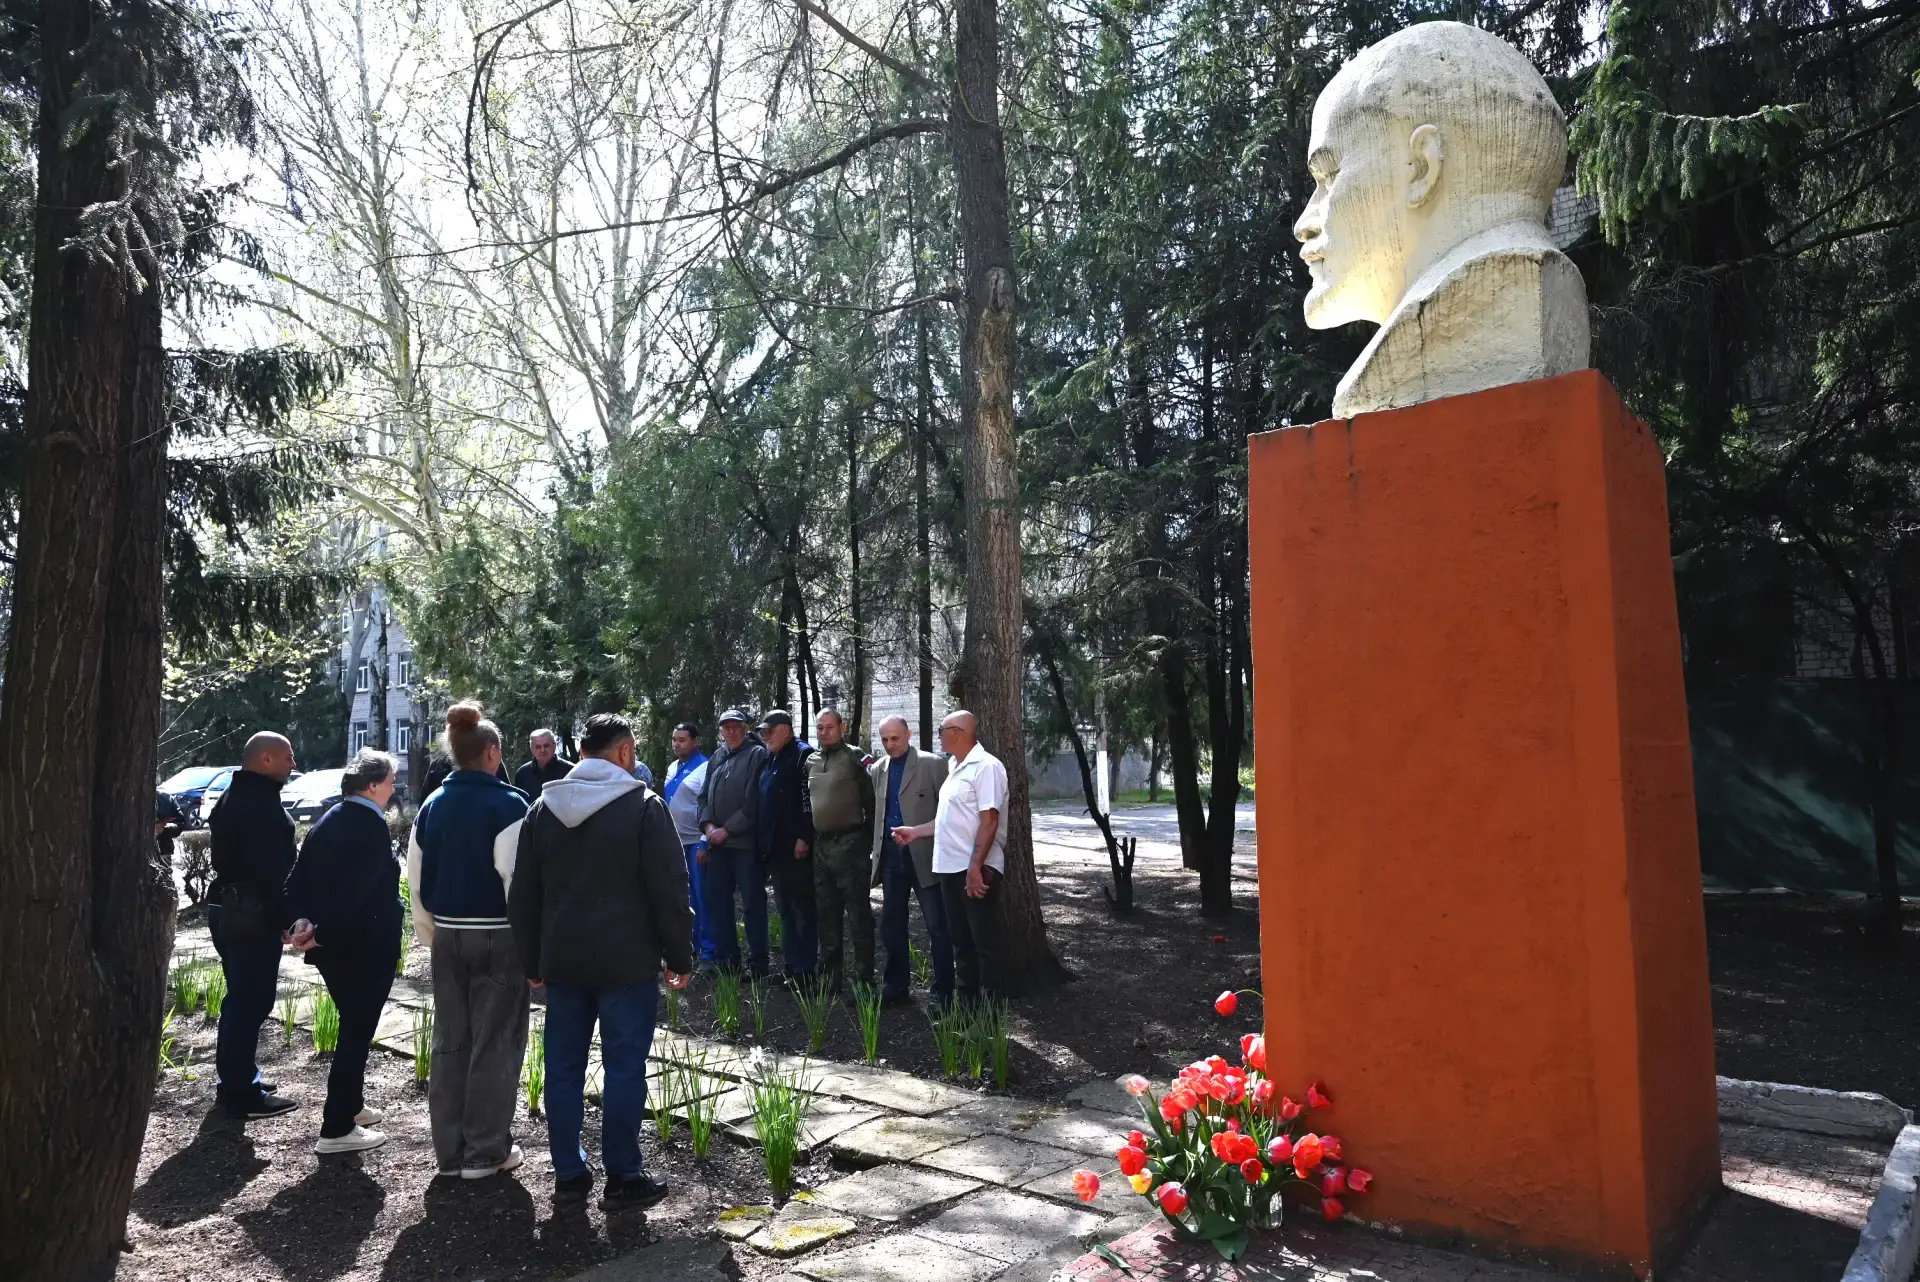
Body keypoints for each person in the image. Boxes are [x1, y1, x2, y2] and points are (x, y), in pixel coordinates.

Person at [509, 713, 694, 1211]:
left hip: (563, 962)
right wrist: (680, 955)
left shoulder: (543, 808)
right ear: (626, 751)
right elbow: (670, 891)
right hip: (627, 963)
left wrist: (531, 959)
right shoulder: (643, 807)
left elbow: (523, 894)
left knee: (563, 1070)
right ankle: (624, 1176)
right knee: (625, 1069)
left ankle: (569, 1175)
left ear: (582, 753)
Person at [408, 702, 532, 1180]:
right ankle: (486, 1151)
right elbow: (517, 883)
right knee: (495, 1042)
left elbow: (416, 878)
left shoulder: (432, 805)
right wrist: (533, 949)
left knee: (450, 1040)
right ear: (493, 751)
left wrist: (432, 935)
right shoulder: (510, 804)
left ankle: (451, 1152)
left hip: (448, 934)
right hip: (499, 936)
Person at [284, 750, 404, 1154]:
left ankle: (350, 1105)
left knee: (354, 1025)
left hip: (336, 947)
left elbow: (297, 880)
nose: (393, 788)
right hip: (362, 948)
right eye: (389, 781)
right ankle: (336, 1128)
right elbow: (361, 894)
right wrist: (323, 934)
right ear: (371, 785)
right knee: (357, 1030)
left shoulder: (329, 818)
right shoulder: (369, 826)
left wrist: (302, 922)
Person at [206, 731, 300, 1119]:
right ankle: (241, 1093)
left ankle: (236, 1079)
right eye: (287, 757)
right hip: (249, 914)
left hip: (230, 908)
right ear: (265, 759)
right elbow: (270, 872)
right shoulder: (258, 804)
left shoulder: (235, 795)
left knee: (240, 1000)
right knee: (250, 1001)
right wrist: (287, 919)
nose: (293, 765)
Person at [892, 710, 1007, 1002]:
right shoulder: (954, 766)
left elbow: (990, 821)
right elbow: (947, 820)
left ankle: (991, 1015)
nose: (939, 735)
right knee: (961, 943)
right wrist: (915, 832)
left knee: (984, 944)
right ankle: (967, 1009)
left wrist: (975, 867)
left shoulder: (987, 767)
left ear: (956, 732)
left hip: (975, 869)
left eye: (941, 730)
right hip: (949, 868)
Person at [868, 716, 953, 1007]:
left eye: (895, 738)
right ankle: (896, 987)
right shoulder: (878, 769)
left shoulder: (933, 764)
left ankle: (943, 991)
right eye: (885, 739)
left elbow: (948, 812)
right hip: (891, 857)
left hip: (926, 855)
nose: (890, 744)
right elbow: (877, 814)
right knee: (891, 924)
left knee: (937, 924)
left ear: (909, 734)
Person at [697, 710, 771, 976]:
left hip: (745, 846)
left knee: (753, 904)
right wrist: (708, 827)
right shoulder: (718, 756)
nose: (731, 731)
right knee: (717, 902)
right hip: (718, 846)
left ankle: (758, 964)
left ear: (745, 728)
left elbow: (754, 802)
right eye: (726, 727)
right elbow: (703, 797)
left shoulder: (757, 755)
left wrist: (727, 830)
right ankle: (727, 960)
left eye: (736, 726)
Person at [807, 709, 875, 992]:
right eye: (819, 728)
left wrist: (867, 842)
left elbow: (873, 802)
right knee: (826, 916)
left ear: (842, 727)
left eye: (829, 727)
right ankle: (829, 980)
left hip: (851, 847)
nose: (824, 732)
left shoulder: (856, 757)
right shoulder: (811, 760)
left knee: (859, 917)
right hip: (822, 848)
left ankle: (864, 982)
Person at [756, 710, 816, 982]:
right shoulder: (773, 756)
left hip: (796, 849)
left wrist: (804, 837)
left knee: (802, 909)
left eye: (769, 731)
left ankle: (805, 971)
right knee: (785, 910)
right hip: (776, 849)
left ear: (785, 730)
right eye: (762, 732)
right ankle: (791, 967)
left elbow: (809, 800)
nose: (765, 737)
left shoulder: (803, 755)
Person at [662, 723, 714, 968]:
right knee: (683, 898)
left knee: (702, 897)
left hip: (696, 841)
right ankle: (690, 945)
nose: (676, 744)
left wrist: (705, 841)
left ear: (695, 741)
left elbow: (710, 804)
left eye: (682, 740)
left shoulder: (705, 767)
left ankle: (709, 951)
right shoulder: (673, 767)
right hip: (676, 841)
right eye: (674, 739)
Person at [514, 729, 573, 799]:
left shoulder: (570, 771)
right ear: (531, 749)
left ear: (554, 746)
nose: (542, 750)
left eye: (546, 746)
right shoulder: (522, 774)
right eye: (538, 747)